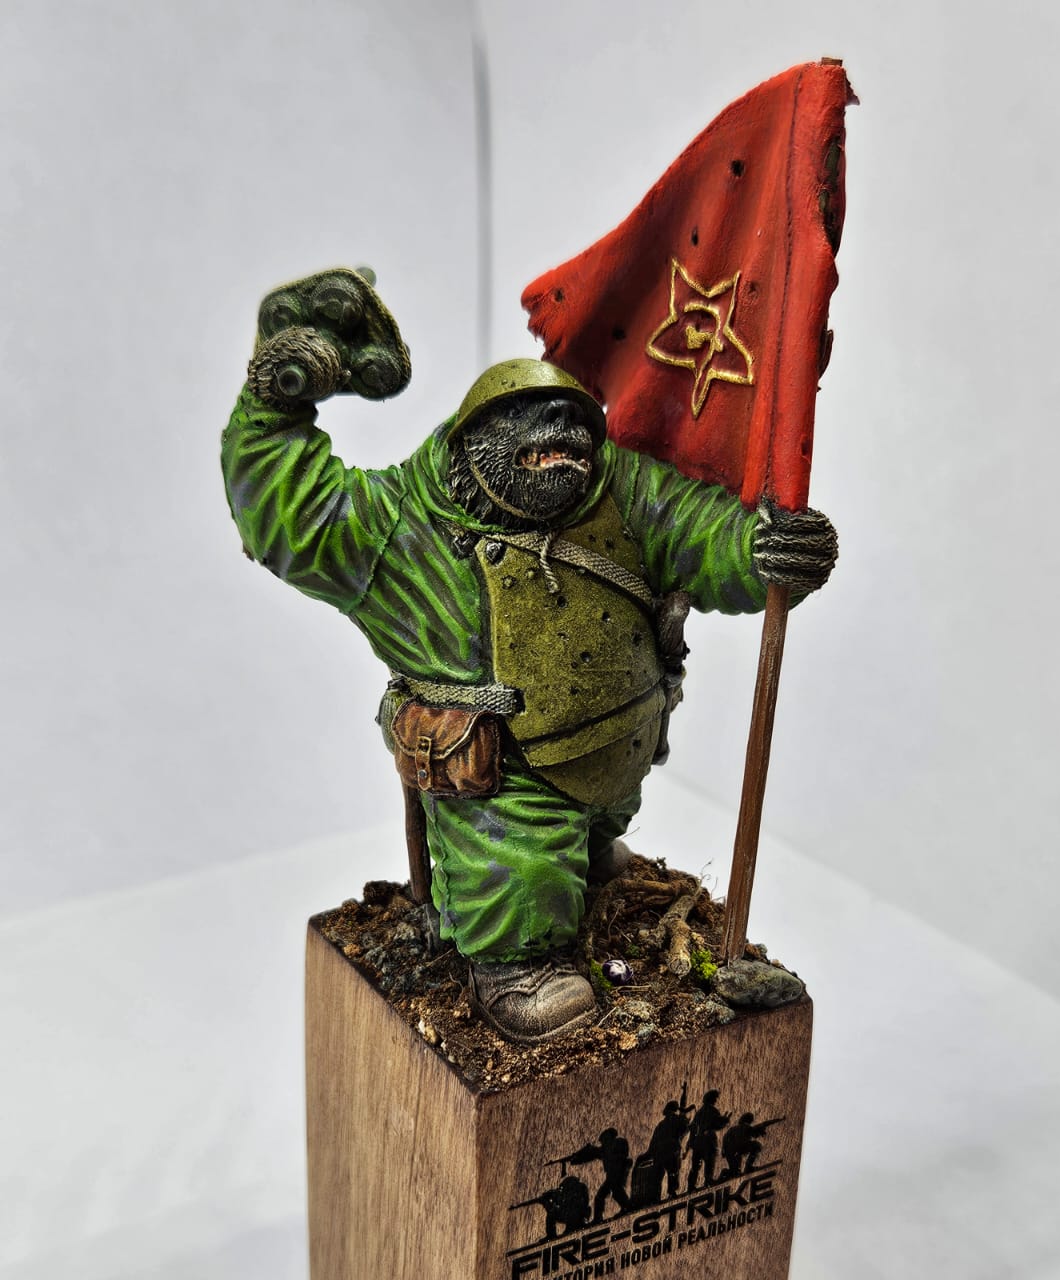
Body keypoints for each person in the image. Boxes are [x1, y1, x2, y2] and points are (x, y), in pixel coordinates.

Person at [222, 268, 838, 1043]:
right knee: (518, 866)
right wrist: (273, 407)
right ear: (470, 443)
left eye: (573, 425)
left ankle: (588, 849)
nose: (562, 440)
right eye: (534, 425)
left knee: (601, 818)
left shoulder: (622, 488)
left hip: (619, 743)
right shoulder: (402, 523)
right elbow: (293, 512)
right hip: (501, 776)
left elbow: (698, 531)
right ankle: (514, 963)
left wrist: (762, 551)